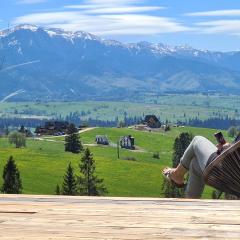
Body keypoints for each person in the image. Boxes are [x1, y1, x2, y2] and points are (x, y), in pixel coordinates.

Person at [162, 135, 233, 199]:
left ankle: (177, 174)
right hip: (232, 177)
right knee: (196, 163)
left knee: (197, 140)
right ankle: (190, 204)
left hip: (226, 172)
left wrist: (229, 150)